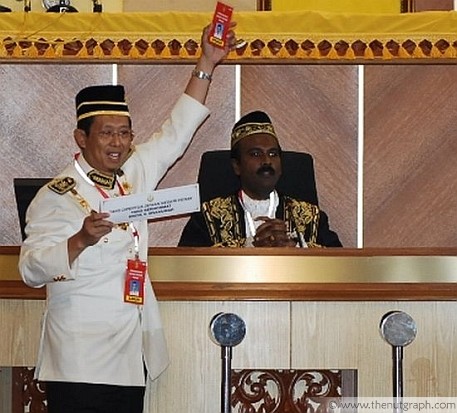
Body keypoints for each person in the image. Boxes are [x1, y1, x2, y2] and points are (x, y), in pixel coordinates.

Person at [18, 23, 236, 413]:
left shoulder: (133, 174)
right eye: (107, 134)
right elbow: (31, 270)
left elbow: (176, 132)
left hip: (129, 354)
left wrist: (207, 62)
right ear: (81, 138)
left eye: (125, 133)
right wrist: (80, 240)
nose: (118, 143)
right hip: (79, 361)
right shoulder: (55, 196)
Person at [178, 110, 342, 248]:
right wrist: (250, 246)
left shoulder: (311, 217)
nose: (267, 161)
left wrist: (296, 248)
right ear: (237, 165)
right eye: (256, 154)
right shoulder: (208, 218)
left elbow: (339, 265)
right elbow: (186, 266)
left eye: (273, 154)